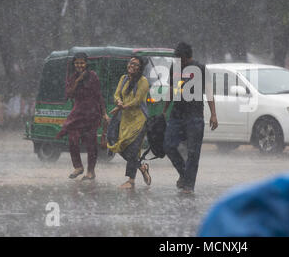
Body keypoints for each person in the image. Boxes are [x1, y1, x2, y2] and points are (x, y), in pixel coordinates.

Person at [162, 42, 218, 194]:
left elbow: (209, 91)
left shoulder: (200, 68)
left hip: (195, 116)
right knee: (168, 145)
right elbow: (172, 89)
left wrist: (213, 114)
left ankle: (188, 185)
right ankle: (184, 174)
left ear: (188, 57)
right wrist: (165, 110)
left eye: (181, 59)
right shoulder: (175, 67)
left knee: (193, 152)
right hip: (177, 115)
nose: (180, 62)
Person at [56, 52, 109, 180]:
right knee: (72, 139)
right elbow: (69, 94)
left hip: (92, 112)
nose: (79, 65)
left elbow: (99, 95)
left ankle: (91, 171)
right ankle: (78, 167)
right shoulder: (72, 77)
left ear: (86, 64)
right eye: (77, 63)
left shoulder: (93, 76)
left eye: (82, 63)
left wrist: (104, 113)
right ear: (74, 64)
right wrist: (78, 80)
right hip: (78, 112)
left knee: (91, 142)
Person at [107, 56, 152, 189]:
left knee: (133, 150)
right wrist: (118, 102)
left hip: (139, 120)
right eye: (131, 63)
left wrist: (122, 106)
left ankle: (130, 181)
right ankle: (142, 167)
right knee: (119, 146)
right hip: (125, 120)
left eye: (136, 65)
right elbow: (116, 95)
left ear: (140, 68)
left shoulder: (143, 81)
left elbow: (137, 100)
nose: (132, 66)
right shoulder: (123, 78)